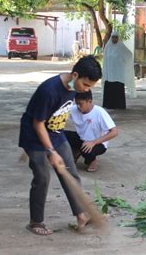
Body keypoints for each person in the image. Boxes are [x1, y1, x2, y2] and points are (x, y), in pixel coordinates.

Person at [19, 55, 102, 235]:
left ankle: (81, 214)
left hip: (56, 133)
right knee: (42, 177)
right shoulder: (49, 90)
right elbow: (38, 123)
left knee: (70, 173)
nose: (86, 90)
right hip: (34, 136)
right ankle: (36, 222)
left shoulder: (74, 86)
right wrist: (50, 151)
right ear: (75, 75)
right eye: (86, 85)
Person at [64, 90, 118, 172]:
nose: (78, 106)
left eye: (81, 104)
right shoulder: (74, 109)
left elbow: (114, 132)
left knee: (88, 152)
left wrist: (93, 142)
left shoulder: (99, 112)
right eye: (77, 103)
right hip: (81, 138)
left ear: (89, 101)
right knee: (59, 135)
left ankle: (92, 160)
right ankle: (76, 150)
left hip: (98, 142)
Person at [102, 31, 136, 109]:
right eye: (113, 37)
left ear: (118, 38)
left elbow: (129, 55)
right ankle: (109, 105)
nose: (114, 39)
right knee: (110, 89)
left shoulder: (121, 47)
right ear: (111, 38)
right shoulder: (108, 47)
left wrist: (124, 62)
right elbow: (105, 61)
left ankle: (119, 105)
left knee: (118, 89)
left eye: (116, 37)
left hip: (118, 74)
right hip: (109, 75)